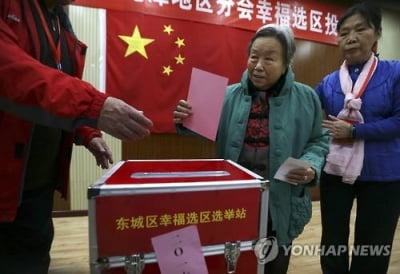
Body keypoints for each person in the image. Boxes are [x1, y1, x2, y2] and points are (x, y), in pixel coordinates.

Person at [0, 0, 153, 273]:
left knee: (32, 258)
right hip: (6, 181)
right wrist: (94, 106)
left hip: (37, 185)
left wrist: (86, 132)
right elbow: (13, 73)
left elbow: (56, 86)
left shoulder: (59, 21)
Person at [174, 24, 329, 273]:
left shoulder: (306, 97)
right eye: (254, 56)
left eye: (269, 59)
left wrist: (311, 165)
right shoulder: (227, 95)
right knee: (234, 262)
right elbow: (200, 128)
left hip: (281, 201)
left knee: (274, 264)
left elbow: (319, 140)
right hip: (234, 201)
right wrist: (185, 119)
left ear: (287, 62)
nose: (258, 65)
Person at [315, 2, 400, 273]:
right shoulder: (328, 82)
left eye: (360, 29)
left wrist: (354, 131)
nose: (350, 38)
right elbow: (303, 107)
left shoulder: (395, 72)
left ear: (377, 33)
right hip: (336, 171)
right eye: (344, 32)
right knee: (332, 240)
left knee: (374, 244)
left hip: (383, 174)